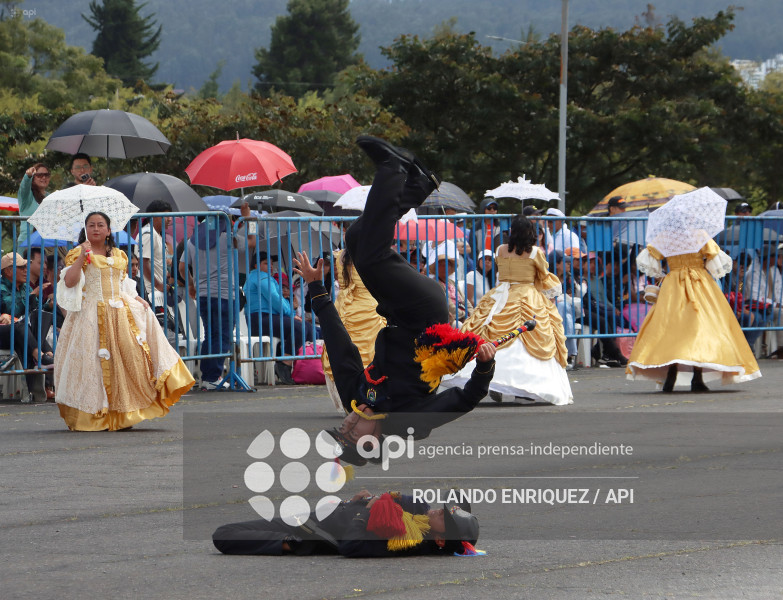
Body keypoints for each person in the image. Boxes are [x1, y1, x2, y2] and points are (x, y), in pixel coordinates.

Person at [293, 136, 497, 465]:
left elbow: (340, 346)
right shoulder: (409, 422)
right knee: (370, 257)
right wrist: (484, 368)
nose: (348, 422)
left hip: (396, 313)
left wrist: (317, 289)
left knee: (356, 238)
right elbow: (463, 400)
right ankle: (393, 167)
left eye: (342, 427)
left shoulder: (354, 397)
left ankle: (418, 185)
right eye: (351, 433)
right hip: (426, 314)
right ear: (373, 442)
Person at [54, 212, 194, 430]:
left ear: (109, 230)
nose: (96, 229)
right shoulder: (78, 253)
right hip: (90, 314)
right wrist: (82, 255)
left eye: (100, 225)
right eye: (91, 225)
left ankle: (123, 413)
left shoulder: (119, 254)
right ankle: (94, 416)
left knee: (127, 361)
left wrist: (137, 299)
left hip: (119, 313)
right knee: (92, 365)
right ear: (86, 229)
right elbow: (70, 282)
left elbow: (123, 283)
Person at [440, 215, 573, 406]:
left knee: (487, 330)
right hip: (528, 295)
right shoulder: (535, 252)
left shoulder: (500, 250)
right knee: (530, 337)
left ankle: (492, 380)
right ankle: (525, 388)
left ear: (512, 232)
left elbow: (501, 272)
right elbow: (544, 276)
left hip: (501, 295)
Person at [626, 238, 761, 392]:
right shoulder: (699, 235)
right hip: (699, 283)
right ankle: (697, 376)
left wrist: (666, 269)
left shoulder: (666, 236)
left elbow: (650, 257)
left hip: (674, 283)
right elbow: (714, 257)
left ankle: (672, 371)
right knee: (700, 327)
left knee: (673, 328)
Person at [212, 489, 480, 558]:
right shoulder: (420, 509)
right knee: (228, 532)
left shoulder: (407, 542)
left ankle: (285, 544)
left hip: (308, 532)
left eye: (444, 517)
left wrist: (364, 513)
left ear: (441, 539)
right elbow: (386, 500)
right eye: (446, 509)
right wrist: (360, 502)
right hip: (319, 516)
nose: (439, 510)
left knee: (223, 535)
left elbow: (352, 546)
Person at [179, 209, 253, 389]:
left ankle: (208, 377)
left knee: (210, 335)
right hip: (226, 295)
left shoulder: (192, 241)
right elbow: (252, 241)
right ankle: (213, 376)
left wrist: (192, 285)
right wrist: (248, 218)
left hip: (203, 295)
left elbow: (181, 267)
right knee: (223, 336)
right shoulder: (228, 238)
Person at [321, 248, 386, 412]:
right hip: (368, 307)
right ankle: (369, 398)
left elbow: (339, 279)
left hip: (344, 307)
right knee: (371, 353)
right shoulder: (372, 252)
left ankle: (349, 399)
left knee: (340, 351)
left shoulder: (341, 255)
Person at [243, 251, 315, 385]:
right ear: (256, 265)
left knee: (309, 328)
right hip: (260, 319)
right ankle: (284, 364)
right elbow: (276, 300)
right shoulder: (261, 278)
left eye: (271, 263)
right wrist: (291, 314)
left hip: (268, 318)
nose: (271, 266)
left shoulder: (264, 278)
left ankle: (304, 367)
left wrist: (292, 314)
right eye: (266, 263)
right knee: (299, 328)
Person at [743, 243, 783, 357]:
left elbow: (779, 291)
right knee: (767, 316)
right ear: (769, 258)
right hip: (754, 306)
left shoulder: (774, 270)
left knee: (775, 312)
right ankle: (780, 347)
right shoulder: (753, 273)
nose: (779, 259)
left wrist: (780, 303)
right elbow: (755, 297)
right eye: (777, 256)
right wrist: (776, 304)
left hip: (771, 306)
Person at [427, 240, 473, 327]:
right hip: (451, 318)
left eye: (447, 265)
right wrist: (465, 315)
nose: (444, 267)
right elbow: (449, 306)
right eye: (441, 265)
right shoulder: (435, 283)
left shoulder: (453, 282)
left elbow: (465, 300)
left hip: (464, 314)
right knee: (459, 325)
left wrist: (471, 313)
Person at [16, 163, 51, 246]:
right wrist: (28, 176)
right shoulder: (26, 196)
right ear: (33, 177)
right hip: (27, 242)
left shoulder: (51, 197)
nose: (44, 177)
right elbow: (24, 186)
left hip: (46, 242)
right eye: (39, 175)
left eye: (46, 175)